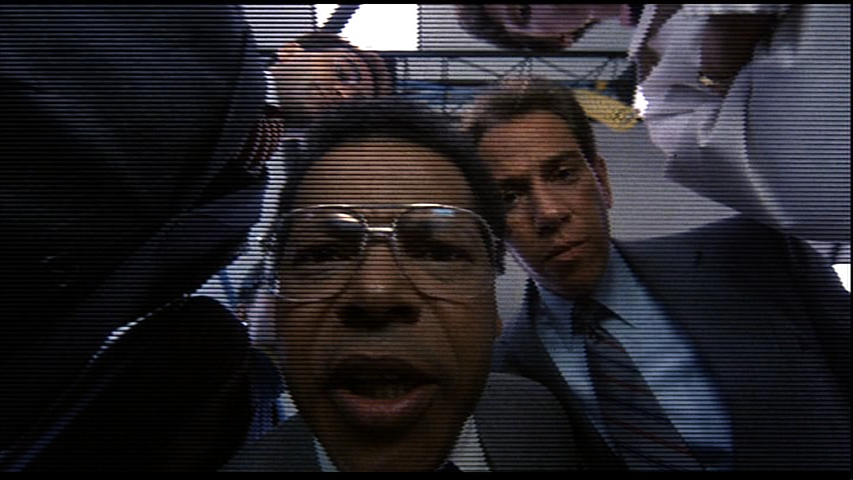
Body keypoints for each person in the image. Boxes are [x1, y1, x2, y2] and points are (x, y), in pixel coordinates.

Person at [461, 76, 850, 471]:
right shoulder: (500, 376)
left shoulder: (757, 255)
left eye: (563, 174)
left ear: (602, 181)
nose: (548, 212)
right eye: (509, 196)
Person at [222, 96, 580, 472]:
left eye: (439, 253)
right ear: (278, 313)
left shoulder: (537, 417)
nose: (376, 290)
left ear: (493, 312)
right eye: (323, 255)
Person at [1, 5, 267, 471]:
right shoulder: (198, 22)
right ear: (296, 51)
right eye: (345, 72)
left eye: (357, 92)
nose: (343, 92)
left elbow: (135, 289)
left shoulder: (244, 212)